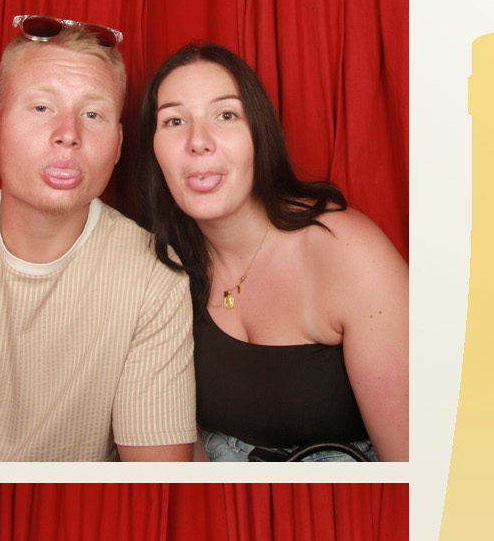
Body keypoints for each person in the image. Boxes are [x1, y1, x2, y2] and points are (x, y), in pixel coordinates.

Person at [129, 42, 409, 461]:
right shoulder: (156, 264)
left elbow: (416, 466)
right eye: (174, 120)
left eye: (226, 115)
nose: (198, 142)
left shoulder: (350, 253)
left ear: (260, 133)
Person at [0, 15, 195, 463]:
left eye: (92, 114)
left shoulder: (155, 277)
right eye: (41, 107)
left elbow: (157, 478)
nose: (69, 134)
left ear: (119, 145)